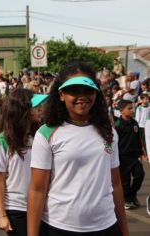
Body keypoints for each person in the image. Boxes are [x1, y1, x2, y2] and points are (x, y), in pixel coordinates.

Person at [27, 62, 129, 236]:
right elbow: (37, 190)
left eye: (88, 90)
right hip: (60, 228)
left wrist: (124, 231)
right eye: (74, 90)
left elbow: (116, 184)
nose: (82, 96)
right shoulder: (46, 134)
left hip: (106, 226)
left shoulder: (109, 132)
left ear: (96, 93)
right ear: (61, 95)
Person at [0, 89, 39, 236]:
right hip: (17, 208)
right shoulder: (3, 141)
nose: (40, 109)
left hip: (41, 206)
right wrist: (1, 215)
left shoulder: (41, 136)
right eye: (35, 106)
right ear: (23, 109)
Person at [115, 99, 145, 209]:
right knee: (125, 181)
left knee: (139, 175)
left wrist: (141, 152)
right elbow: (114, 142)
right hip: (122, 157)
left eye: (133, 108)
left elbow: (138, 139)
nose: (132, 110)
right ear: (122, 110)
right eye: (129, 108)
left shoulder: (134, 123)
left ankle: (132, 195)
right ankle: (127, 200)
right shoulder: (118, 125)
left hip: (134, 156)